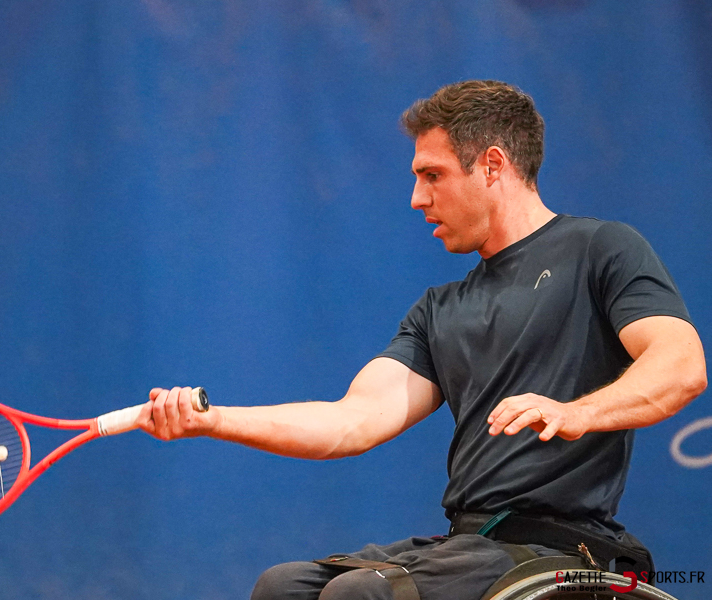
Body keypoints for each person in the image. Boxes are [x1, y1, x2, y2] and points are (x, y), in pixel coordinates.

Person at [136, 80, 707, 600]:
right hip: (468, 547)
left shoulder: (603, 249)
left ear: (491, 166)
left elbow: (681, 366)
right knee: (282, 587)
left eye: (431, 175)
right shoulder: (439, 309)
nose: (416, 198)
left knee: (359, 596)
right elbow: (349, 422)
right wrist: (212, 420)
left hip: (562, 552)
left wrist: (580, 411)